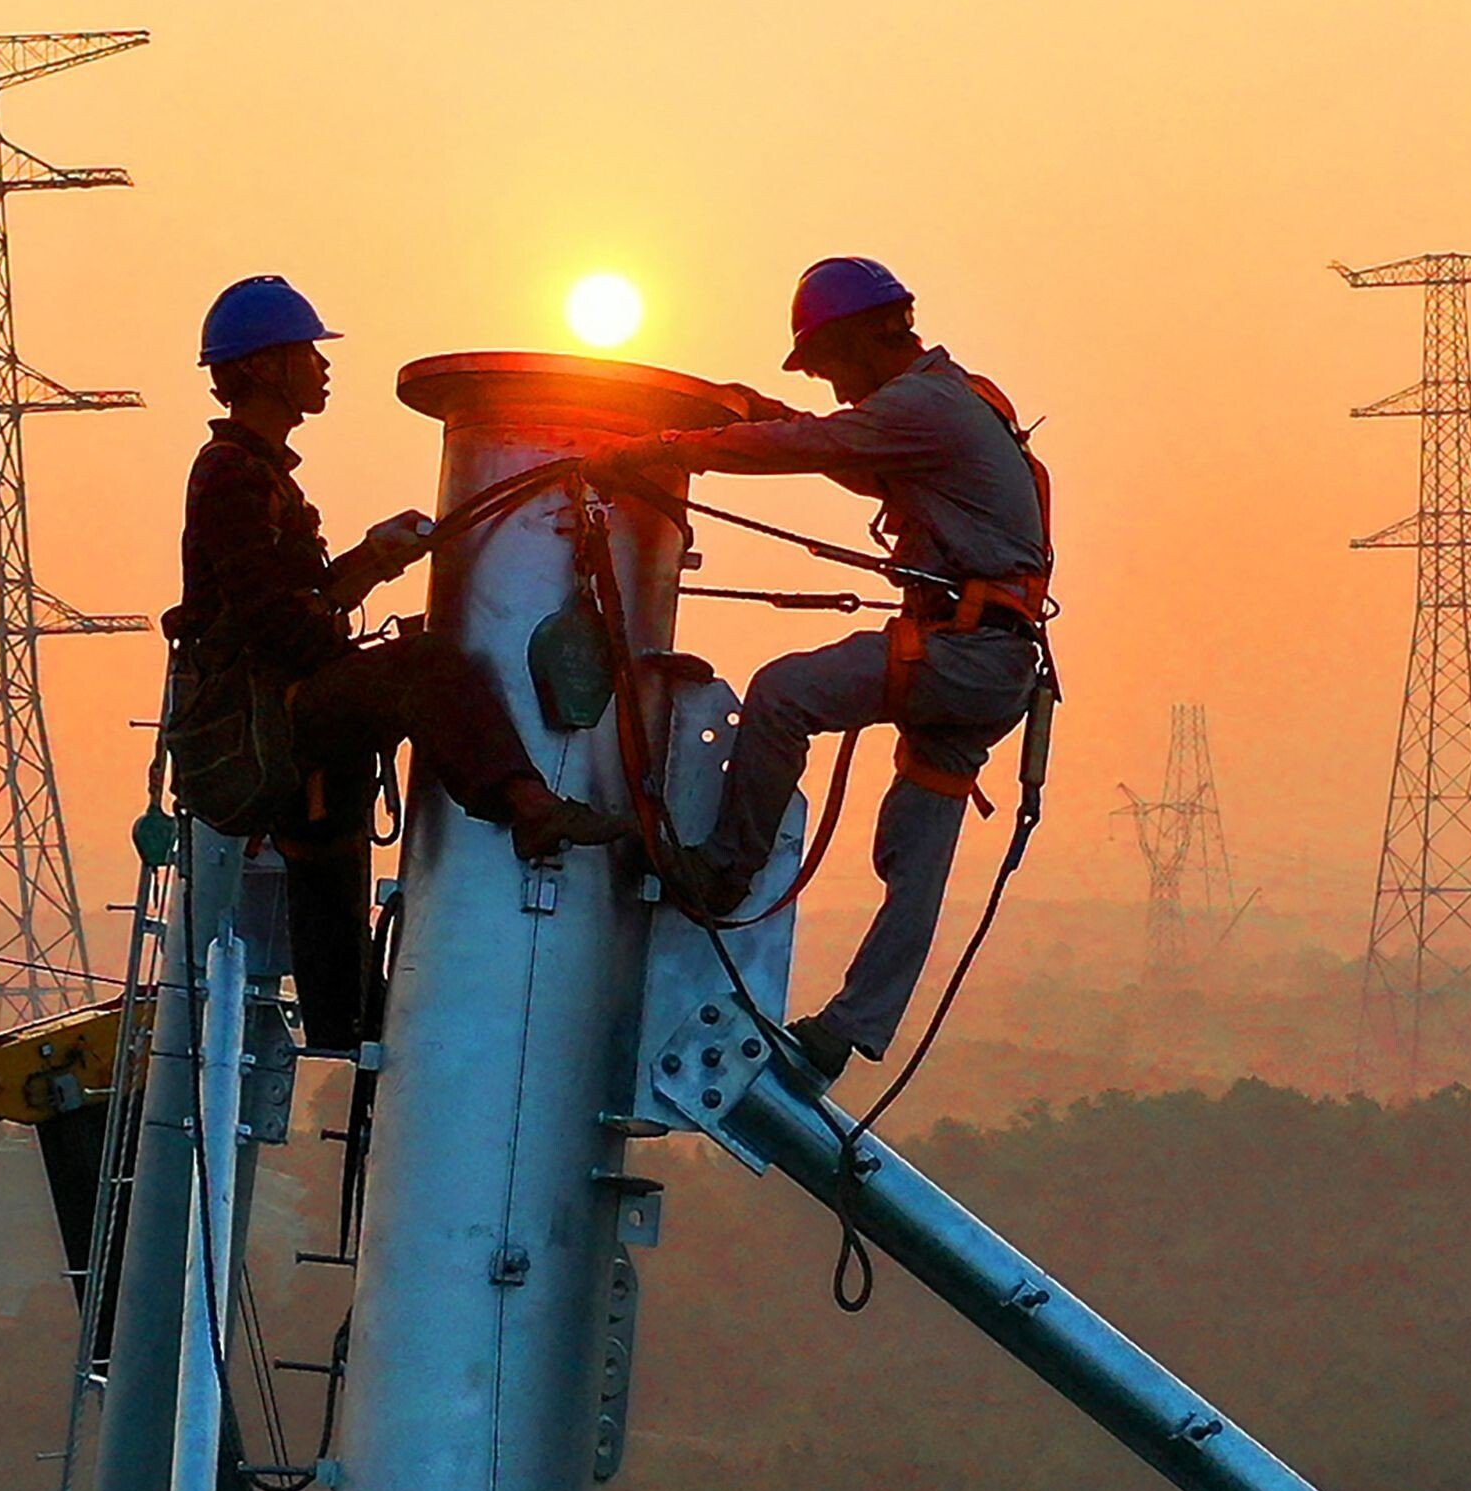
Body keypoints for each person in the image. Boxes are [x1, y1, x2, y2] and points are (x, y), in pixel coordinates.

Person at [582, 256, 1051, 1084]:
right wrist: (762, 412)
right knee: (917, 854)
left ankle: (725, 870)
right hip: (991, 660)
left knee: (783, 694)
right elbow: (850, 455)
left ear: (870, 335)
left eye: (831, 363)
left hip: (963, 652)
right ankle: (847, 1031)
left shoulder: (925, 405)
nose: (834, 385)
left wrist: (656, 449)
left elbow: (808, 448)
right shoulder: (947, 403)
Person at [167, 274, 622, 1048]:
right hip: (258, 721)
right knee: (427, 667)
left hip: (275, 713)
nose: (322, 366)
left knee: (328, 838)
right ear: (265, 367)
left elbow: (289, 606)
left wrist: (373, 563)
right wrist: (372, 663)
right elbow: (275, 624)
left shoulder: (259, 473)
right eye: (306, 352)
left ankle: (348, 1016)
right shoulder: (232, 477)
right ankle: (526, 804)